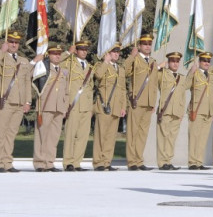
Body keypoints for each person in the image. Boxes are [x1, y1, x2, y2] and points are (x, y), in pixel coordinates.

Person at [0, 31, 33, 173]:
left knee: (11, 134)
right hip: (4, 100)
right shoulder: (0, 57)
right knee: (0, 133)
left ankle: (7, 162)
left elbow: (27, 82)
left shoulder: (23, 61)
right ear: (7, 43)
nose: (14, 44)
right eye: (11, 41)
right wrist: (1, 51)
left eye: (16, 42)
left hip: (19, 103)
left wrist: (27, 101)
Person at [124, 33, 160, 170]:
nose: (147, 46)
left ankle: (139, 160)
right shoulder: (135, 59)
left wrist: (153, 102)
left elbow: (155, 84)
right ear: (139, 46)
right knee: (133, 132)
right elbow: (125, 71)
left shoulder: (153, 62)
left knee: (142, 134)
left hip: (149, 102)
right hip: (137, 101)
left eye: (149, 44)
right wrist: (131, 56)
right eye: (144, 44)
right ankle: (132, 161)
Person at [92, 43, 127, 171]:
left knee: (111, 137)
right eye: (113, 52)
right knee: (101, 135)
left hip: (116, 107)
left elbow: (123, 89)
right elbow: (98, 76)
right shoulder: (102, 66)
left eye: (118, 52)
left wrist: (124, 106)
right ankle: (98, 162)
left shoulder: (121, 69)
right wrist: (105, 62)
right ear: (108, 53)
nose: (116, 54)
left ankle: (107, 161)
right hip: (104, 105)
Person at [32, 44, 67, 172]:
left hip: (58, 108)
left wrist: (64, 107)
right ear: (49, 55)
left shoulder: (63, 70)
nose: (57, 56)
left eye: (59, 53)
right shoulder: (43, 68)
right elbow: (31, 76)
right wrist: (36, 61)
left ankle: (49, 162)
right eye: (54, 53)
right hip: (45, 106)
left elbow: (66, 91)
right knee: (42, 136)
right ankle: (40, 163)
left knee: (54, 136)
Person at [62, 40, 94, 171]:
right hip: (73, 104)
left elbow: (91, 87)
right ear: (76, 50)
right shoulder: (69, 64)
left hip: (86, 106)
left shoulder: (90, 67)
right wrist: (67, 52)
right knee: (70, 134)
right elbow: (57, 63)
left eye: (86, 49)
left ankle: (76, 162)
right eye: (81, 49)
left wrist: (91, 107)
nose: (84, 51)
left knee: (83, 136)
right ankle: (68, 162)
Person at [156, 51, 190, 170]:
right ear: (169, 62)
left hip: (176, 112)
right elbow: (150, 75)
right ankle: (162, 162)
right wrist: (160, 66)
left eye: (177, 61)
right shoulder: (162, 74)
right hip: (165, 110)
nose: (175, 64)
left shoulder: (182, 77)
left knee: (171, 138)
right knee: (163, 137)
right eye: (172, 61)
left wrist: (181, 113)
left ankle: (168, 161)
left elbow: (182, 96)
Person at [188, 51, 213, 170]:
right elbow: (186, 86)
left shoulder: (211, 74)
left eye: (208, 61)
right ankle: (192, 162)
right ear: (199, 61)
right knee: (194, 136)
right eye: (204, 61)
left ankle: (198, 161)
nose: (207, 63)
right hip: (197, 109)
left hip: (209, 110)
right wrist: (191, 73)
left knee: (203, 138)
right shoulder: (195, 73)